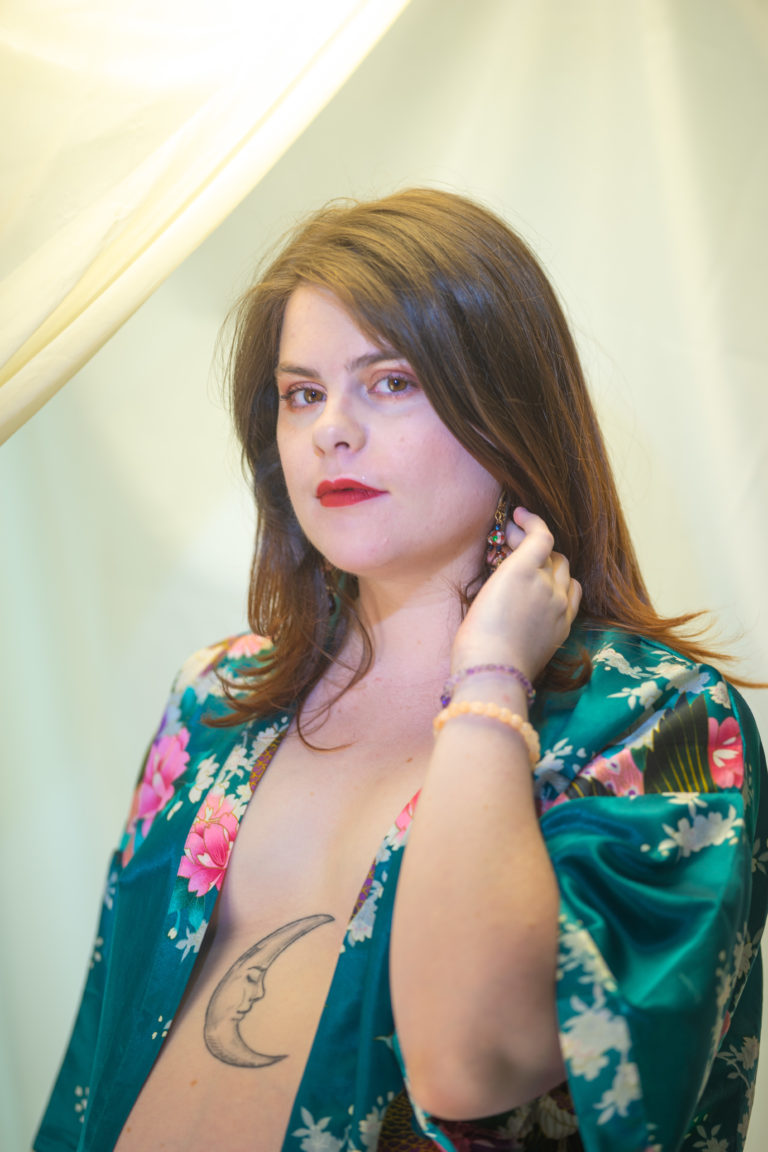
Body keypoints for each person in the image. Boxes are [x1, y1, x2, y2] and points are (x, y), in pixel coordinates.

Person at [35, 188, 767, 1152]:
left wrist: (492, 679)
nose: (331, 429)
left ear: (509, 411)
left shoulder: (665, 726)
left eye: (391, 382)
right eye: (302, 394)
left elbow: (473, 1067)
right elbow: (94, 1057)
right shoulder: (213, 700)